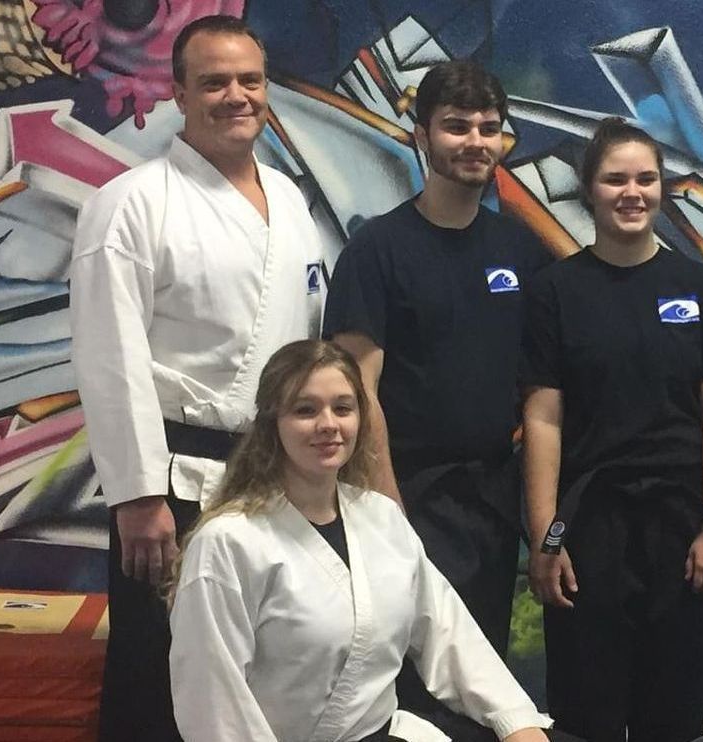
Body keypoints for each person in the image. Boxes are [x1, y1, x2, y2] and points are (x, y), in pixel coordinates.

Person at [68, 15, 325, 741]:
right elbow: (107, 355)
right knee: (159, 671)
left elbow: (306, 345)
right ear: (178, 91)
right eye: (213, 82)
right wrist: (137, 495)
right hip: (174, 488)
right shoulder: (130, 204)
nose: (235, 96)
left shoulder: (291, 201)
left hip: (273, 476)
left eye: (250, 80)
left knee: (262, 670)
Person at [323, 59, 554, 741]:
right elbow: (356, 391)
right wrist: (389, 514)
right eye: (456, 126)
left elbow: (543, 389)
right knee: (403, 690)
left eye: (489, 127)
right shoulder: (378, 250)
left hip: (488, 502)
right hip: (403, 496)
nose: (475, 141)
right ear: (421, 134)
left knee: (479, 684)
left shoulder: (521, 248)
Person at [168, 340, 558, 742]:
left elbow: (447, 631)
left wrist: (516, 721)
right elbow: (211, 699)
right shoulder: (228, 543)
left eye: (342, 408)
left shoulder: (380, 516)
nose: (328, 424)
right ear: (271, 424)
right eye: (306, 410)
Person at [520, 118, 703, 742]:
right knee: (586, 709)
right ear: (589, 189)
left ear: (662, 187)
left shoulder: (700, 287)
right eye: (615, 178)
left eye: (646, 178)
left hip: (682, 523)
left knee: (671, 711)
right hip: (587, 519)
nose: (633, 192)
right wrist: (545, 534)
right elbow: (543, 419)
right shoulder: (555, 292)